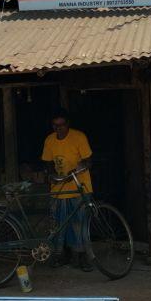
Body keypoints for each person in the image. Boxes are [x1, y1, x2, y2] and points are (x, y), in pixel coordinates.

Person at [41, 109, 94, 272]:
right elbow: (48, 162)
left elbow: (88, 161)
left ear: (68, 124)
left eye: (62, 125)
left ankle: (82, 256)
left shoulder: (79, 137)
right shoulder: (50, 140)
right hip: (59, 189)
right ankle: (60, 255)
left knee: (80, 224)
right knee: (58, 225)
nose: (59, 128)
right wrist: (51, 174)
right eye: (55, 125)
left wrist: (76, 170)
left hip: (80, 187)